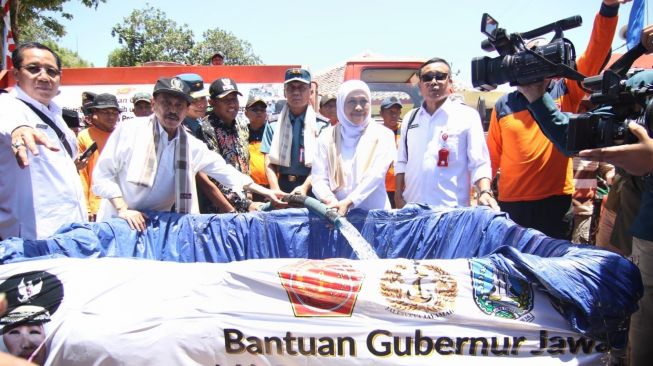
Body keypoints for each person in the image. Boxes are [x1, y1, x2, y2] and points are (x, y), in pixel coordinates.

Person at [519, 26, 653, 363]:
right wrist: (536, 97)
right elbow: (573, 136)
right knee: (642, 308)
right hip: (645, 232)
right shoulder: (640, 86)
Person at [485, 0, 624, 239]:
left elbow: (596, 52)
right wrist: (484, 191)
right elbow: (491, 156)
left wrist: (608, 8)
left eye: (542, 57)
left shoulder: (565, 90)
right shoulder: (503, 104)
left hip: (555, 203)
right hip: (510, 204)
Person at [92, 76, 285, 231]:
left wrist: (268, 192)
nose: (172, 110)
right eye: (166, 103)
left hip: (158, 229)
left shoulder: (190, 144)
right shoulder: (129, 131)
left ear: (186, 109)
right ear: (153, 104)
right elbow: (102, 177)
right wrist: (123, 209)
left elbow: (224, 170)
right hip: (119, 223)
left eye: (179, 105)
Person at [0, 42, 86, 241]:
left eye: (51, 71)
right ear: (16, 74)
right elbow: (10, 123)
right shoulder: (8, 105)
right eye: (33, 69)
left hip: (70, 233)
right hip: (31, 241)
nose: (44, 77)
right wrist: (18, 129)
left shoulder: (57, 115)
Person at [394, 57, 497, 210]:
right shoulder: (410, 118)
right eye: (427, 78)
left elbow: (479, 163)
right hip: (412, 212)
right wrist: (397, 196)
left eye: (440, 76)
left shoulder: (467, 116)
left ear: (450, 82)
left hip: (450, 213)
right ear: (420, 85)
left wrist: (485, 191)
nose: (433, 82)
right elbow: (402, 161)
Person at [311, 80, 396, 216]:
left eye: (364, 101)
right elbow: (318, 178)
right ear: (341, 104)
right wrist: (331, 203)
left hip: (374, 217)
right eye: (351, 101)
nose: (358, 107)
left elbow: (375, 175)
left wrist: (349, 202)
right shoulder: (326, 137)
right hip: (336, 215)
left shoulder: (384, 135)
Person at [261, 68, 330, 195]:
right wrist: (275, 189)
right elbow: (268, 162)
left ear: (310, 92)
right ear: (284, 92)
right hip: (281, 186)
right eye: (291, 88)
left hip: (312, 186)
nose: (296, 92)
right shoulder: (273, 124)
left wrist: (304, 187)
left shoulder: (322, 125)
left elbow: (323, 164)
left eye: (302, 88)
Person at [195, 77, 255, 213]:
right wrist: (242, 204)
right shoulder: (206, 129)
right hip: (220, 209)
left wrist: (249, 192)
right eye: (225, 100)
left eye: (234, 99)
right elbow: (212, 176)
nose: (232, 104)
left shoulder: (242, 126)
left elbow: (245, 161)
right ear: (212, 102)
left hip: (246, 201)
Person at [77, 93, 121, 222]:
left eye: (114, 112)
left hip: (120, 202)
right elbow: (82, 175)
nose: (111, 116)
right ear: (94, 113)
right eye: (106, 112)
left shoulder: (122, 135)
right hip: (96, 203)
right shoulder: (84, 136)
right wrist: (87, 207)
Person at [379, 96, 403, 207]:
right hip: (381, 188)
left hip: (402, 188)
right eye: (390, 112)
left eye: (397, 112)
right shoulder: (375, 133)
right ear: (381, 113)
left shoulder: (405, 132)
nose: (394, 115)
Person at [245, 96, 270, 193]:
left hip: (272, 187)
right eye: (255, 109)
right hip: (251, 188)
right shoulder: (241, 133)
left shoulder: (272, 132)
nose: (259, 112)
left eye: (262, 110)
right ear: (246, 113)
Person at [177, 73, 209, 138]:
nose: (202, 105)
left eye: (203, 98)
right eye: (194, 100)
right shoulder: (177, 131)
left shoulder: (199, 123)